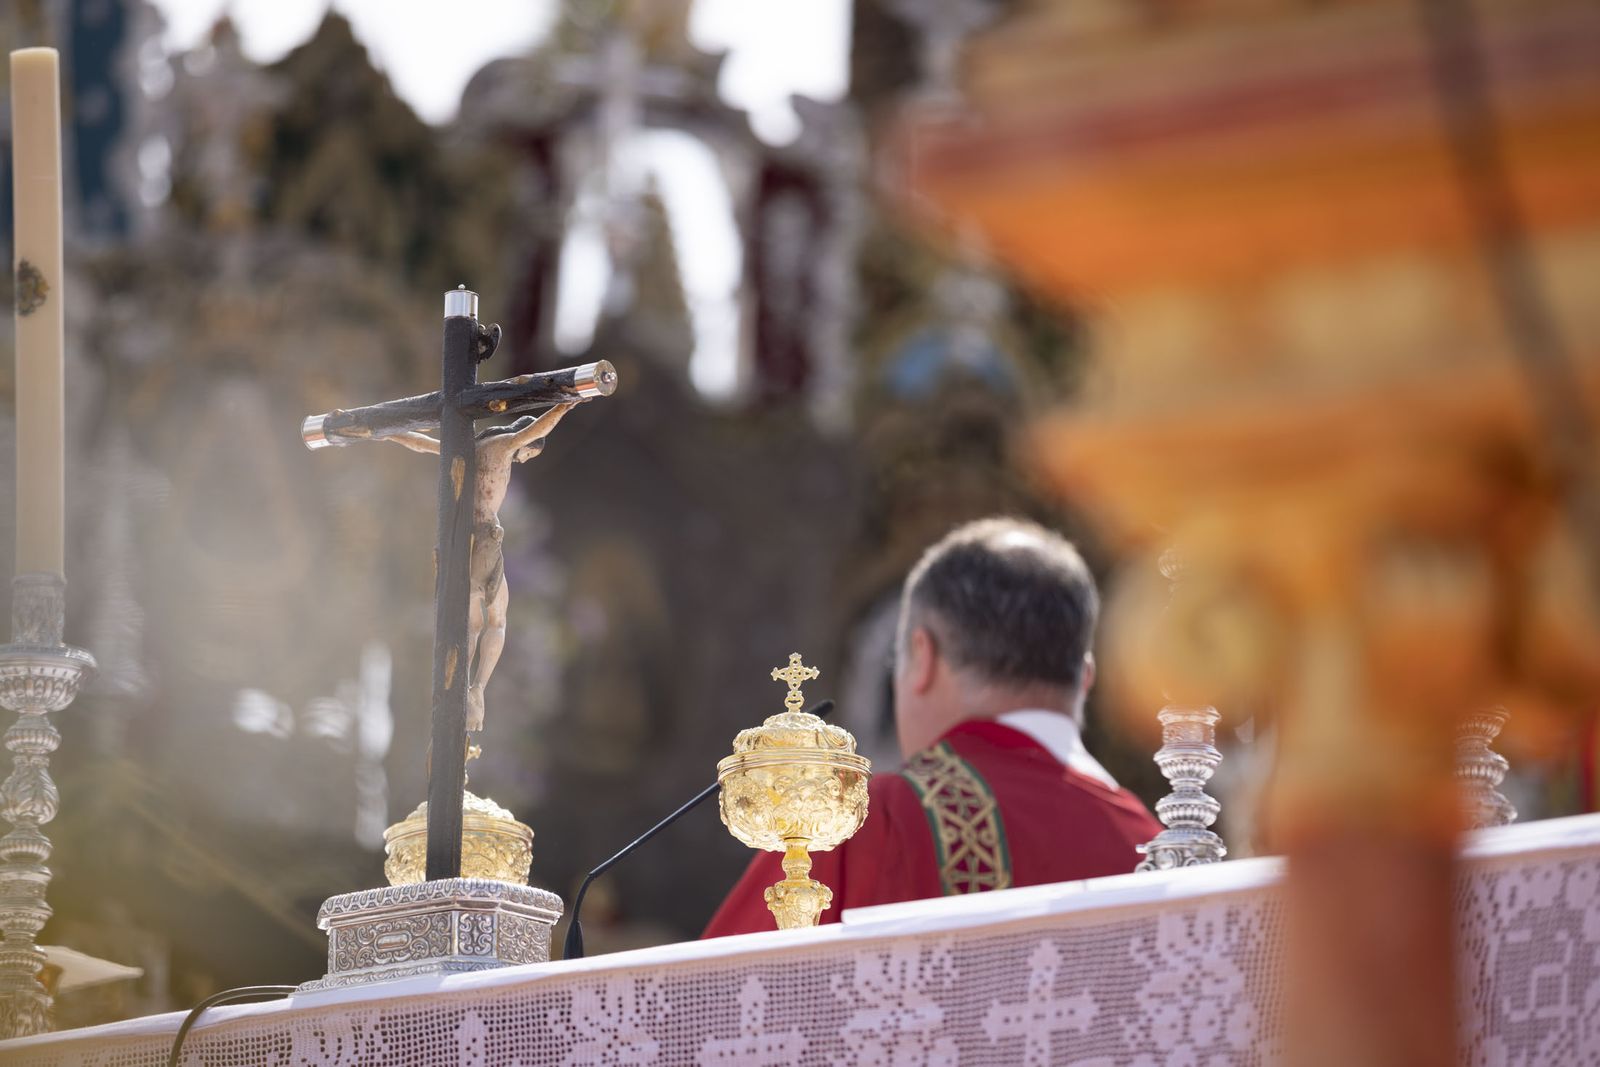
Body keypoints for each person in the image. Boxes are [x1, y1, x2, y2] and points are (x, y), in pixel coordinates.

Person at [704, 517, 1161, 937]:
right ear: (1086, 678)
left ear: (923, 657)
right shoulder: (1162, 854)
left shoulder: (854, 823)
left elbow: (706, 1009)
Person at [385, 401, 577, 731]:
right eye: (531, 453)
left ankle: (469, 690)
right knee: (493, 621)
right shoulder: (503, 446)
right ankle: (475, 690)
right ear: (525, 443)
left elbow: (421, 444)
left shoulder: (469, 447)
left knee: (477, 621)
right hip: (484, 537)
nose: (527, 457)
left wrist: (387, 433)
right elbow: (537, 428)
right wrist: (569, 403)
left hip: (463, 537)